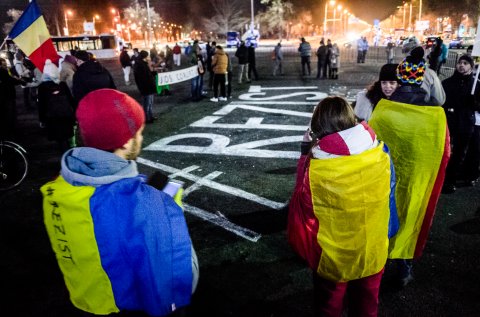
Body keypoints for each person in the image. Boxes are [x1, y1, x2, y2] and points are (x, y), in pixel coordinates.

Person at [40, 88, 198, 317]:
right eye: (140, 132)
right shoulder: (151, 203)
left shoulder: (56, 188)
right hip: (130, 309)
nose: (141, 138)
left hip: (84, 301)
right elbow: (183, 279)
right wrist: (169, 212)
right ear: (125, 142)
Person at [288, 96, 398, 317]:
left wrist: (304, 153)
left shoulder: (317, 167)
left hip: (334, 253)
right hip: (373, 245)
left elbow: (301, 202)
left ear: (318, 126)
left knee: (329, 305)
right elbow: (390, 192)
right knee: (367, 303)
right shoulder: (380, 152)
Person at [368, 51, 451, 288]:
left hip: (388, 178)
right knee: (412, 215)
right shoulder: (435, 111)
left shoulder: (385, 108)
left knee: (386, 217)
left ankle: (378, 266)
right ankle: (404, 266)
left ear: (401, 78)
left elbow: (371, 142)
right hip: (420, 177)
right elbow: (444, 149)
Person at [441, 54, 480, 193]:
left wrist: (474, 102)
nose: (461, 65)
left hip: (466, 125)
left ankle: (450, 181)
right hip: (450, 123)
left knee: (458, 154)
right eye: (459, 62)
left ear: (471, 66)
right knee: (446, 152)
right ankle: (441, 179)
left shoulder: (476, 84)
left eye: (465, 63)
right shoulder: (447, 83)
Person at [37, 59, 75, 153]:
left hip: (52, 118)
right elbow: (71, 100)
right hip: (66, 116)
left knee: (59, 138)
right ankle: (69, 153)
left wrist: (42, 119)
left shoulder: (42, 87)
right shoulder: (62, 84)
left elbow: (41, 105)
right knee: (66, 137)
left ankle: (64, 156)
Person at [0, 57, 24, 138]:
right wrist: (20, 81)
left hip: (5, 96)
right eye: (3, 63)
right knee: (10, 114)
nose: (5, 65)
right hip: (7, 96)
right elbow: (10, 81)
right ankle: (11, 131)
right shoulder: (2, 72)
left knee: (7, 114)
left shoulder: (4, 71)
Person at [133, 50, 157, 123]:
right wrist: (152, 74)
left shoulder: (142, 64)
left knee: (149, 103)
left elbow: (147, 74)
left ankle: (150, 116)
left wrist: (153, 73)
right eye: (148, 56)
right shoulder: (140, 65)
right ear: (145, 57)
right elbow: (144, 77)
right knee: (147, 103)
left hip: (146, 86)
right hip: (146, 87)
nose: (149, 57)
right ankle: (147, 118)